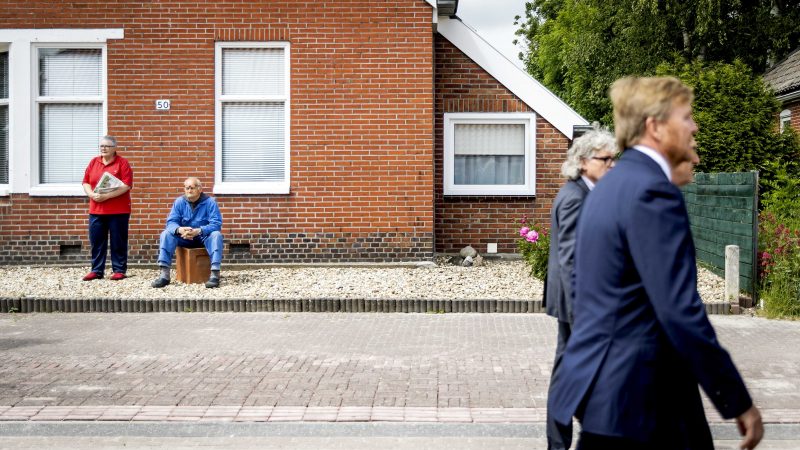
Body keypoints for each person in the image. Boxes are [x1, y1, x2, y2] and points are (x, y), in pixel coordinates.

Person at [547, 77, 763, 450]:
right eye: (686, 117)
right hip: (641, 403)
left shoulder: (606, 189)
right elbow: (679, 309)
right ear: (656, 126)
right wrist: (735, 398)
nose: (694, 127)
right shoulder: (652, 192)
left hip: (608, 400)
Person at [544, 127, 616, 450]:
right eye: (605, 159)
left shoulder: (585, 193)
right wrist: (581, 315)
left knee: (571, 374)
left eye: (613, 159)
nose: (612, 165)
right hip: (577, 304)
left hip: (579, 304)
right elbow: (571, 260)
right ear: (584, 162)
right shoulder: (575, 198)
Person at [151, 177, 224, 289]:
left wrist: (199, 231)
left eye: (192, 188)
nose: (189, 190)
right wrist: (179, 230)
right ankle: (164, 275)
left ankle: (215, 274)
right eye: (187, 188)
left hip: (203, 237)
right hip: (184, 237)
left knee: (216, 235)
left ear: (200, 189)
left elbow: (216, 224)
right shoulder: (179, 202)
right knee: (166, 234)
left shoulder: (210, 202)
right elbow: (171, 222)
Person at [81, 135, 133, 281]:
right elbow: (85, 182)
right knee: (97, 241)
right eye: (101, 146)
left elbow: (127, 185)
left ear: (114, 148)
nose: (103, 148)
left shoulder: (122, 163)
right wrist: (91, 194)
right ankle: (97, 270)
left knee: (118, 241)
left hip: (118, 210)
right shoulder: (94, 162)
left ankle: (119, 270)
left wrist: (107, 196)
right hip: (96, 210)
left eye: (107, 146)